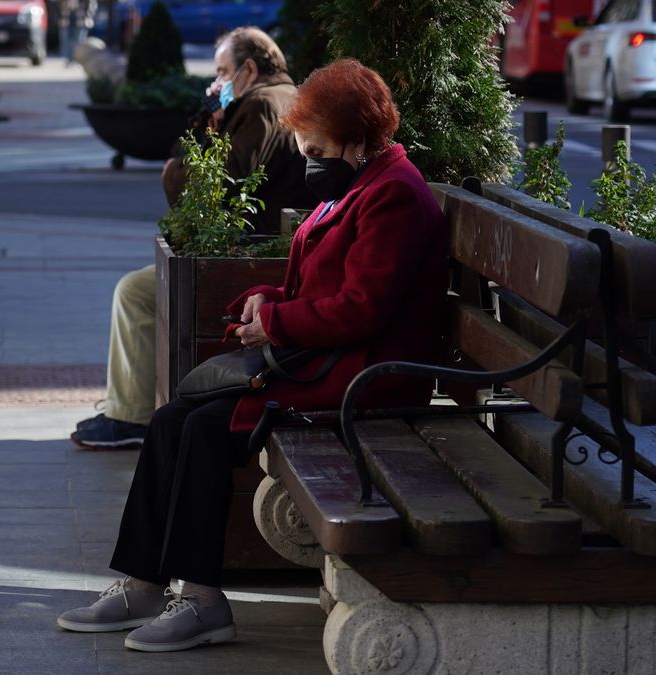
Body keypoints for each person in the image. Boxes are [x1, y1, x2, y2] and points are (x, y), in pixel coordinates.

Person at [56, 58, 448, 652]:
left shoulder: (392, 195)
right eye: (304, 147)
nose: (310, 160)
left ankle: (203, 601)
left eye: (318, 148)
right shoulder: (361, 184)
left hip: (365, 375)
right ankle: (141, 583)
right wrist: (265, 301)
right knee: (170, 420)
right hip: (328, 360)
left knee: (207, 429)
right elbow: (322, 286)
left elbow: (363, 309)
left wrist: (277, 324)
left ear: (362, 140)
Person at [71, 26, 314, 450]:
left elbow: (225, 184)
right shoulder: (272, 99)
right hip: (255, 251)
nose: (215, 83)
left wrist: (173, 169)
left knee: (135, 292)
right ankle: (128, 406)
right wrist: (215, 121)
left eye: (222, 71)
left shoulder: (260, 105)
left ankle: (130, 417)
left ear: (248, 69)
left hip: (251, 256)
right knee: (142, 289)